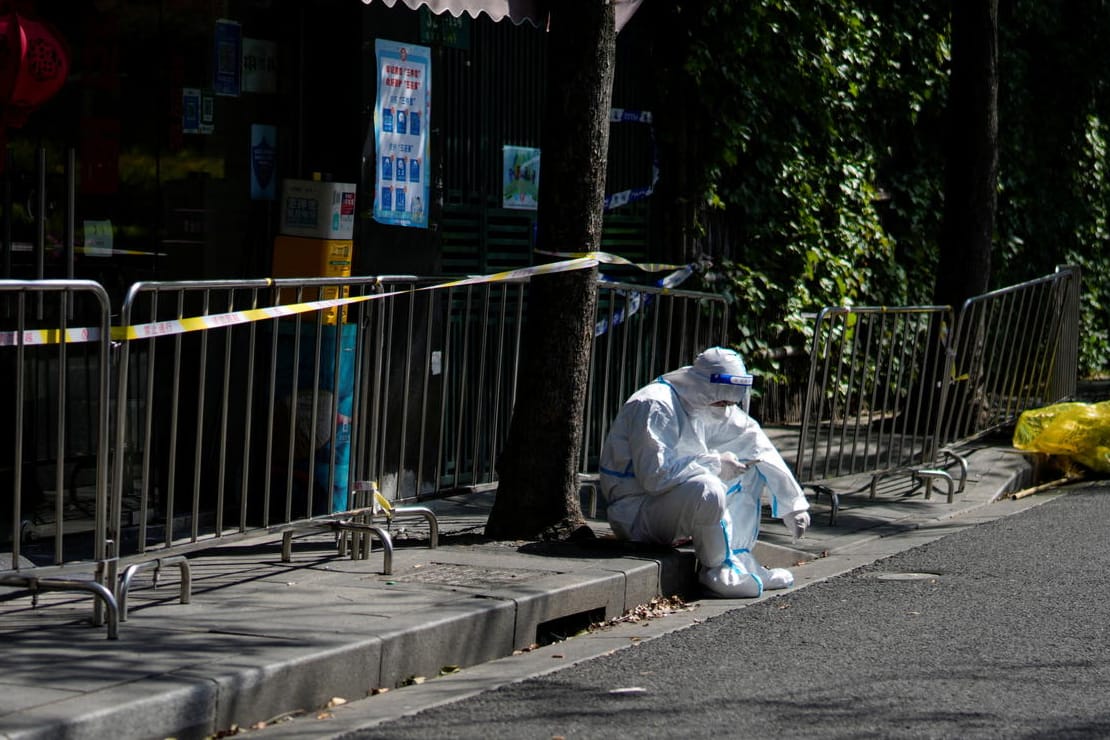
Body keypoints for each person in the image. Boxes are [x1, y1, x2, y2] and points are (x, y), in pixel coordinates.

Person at [599, 347, 811, 598]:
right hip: (636, 511)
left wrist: (793, 503)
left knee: (748, 468)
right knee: (708, 488)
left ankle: (740, 559)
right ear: (705, 388)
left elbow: (752, 440)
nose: (724, 409)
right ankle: (718, 570)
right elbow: (654, 476)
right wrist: (714, 464)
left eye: (728, 404)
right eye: (721, 402)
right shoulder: (655, 404)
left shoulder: (703, 402)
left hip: (665, 503)